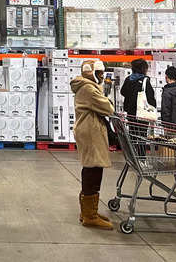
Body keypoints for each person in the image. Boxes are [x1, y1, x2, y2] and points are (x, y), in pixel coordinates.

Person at [70, 59, 115, 230]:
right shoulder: (89, 88)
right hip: (90, 132)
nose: (102, 77)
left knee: (92, 169)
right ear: (91, 73)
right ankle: (89, 215)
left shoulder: (87, 86)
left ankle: (89, 212)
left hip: (90, 130)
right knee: (93, 170)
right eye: (99, 73)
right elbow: (108, 108)